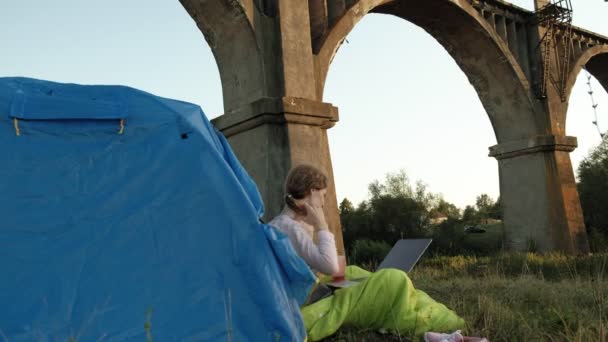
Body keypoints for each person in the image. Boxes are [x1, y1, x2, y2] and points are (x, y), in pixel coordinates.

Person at [269, 164, 487, 342]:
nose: (324, 203)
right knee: (394, 278)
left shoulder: (284, 224)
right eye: (323, 196)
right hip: (309, 296)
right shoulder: (293, 228)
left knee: (355, 272)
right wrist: (322, 226)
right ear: (312, 192)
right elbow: (329, 266)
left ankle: (415, 317)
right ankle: (437, 326)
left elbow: (307, 266)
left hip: (310, 289)